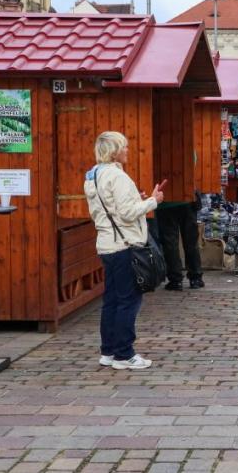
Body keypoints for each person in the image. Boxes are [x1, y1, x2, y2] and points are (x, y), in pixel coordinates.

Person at [84, 131, 163, 370]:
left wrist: (137, 200)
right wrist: (153, 201)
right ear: (114, 151)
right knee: (129, 301)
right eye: (124, 147)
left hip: (106, 244)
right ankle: (124, 354)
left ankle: (108, 351)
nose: (127, 150)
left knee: (111, 300)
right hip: (124, 245)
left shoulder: (92, 175)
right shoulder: (117, 176)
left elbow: (108, 209)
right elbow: (127, 214)